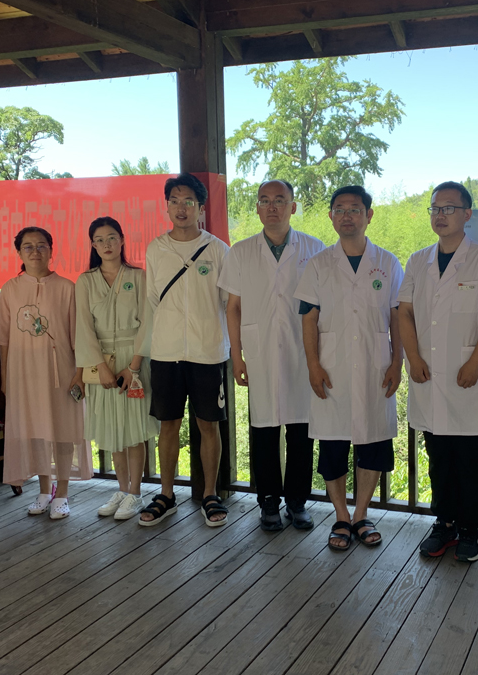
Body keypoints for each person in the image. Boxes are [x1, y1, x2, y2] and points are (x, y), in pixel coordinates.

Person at [398, 181, 478, 562]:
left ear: (467, 214)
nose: (440, 215)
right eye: (435, 208)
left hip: (469, 376)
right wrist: (413, 358)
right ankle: (444, 522)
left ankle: (470, 527)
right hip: (428, 374)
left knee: (471, 456)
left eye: (449, 208)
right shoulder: (418, 261)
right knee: (438, 455)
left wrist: (476, 361)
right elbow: (404, 312)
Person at [295, 185, 403, 550]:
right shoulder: (318, 264)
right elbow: (308, 319)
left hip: (376, 366)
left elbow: (397, 316)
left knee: (373, 441)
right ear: (330, 216)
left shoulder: (388, 262)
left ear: (368, 215)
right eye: (339, 209)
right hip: (332, 365)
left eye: (354, 209)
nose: (347, 216)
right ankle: (341, 516)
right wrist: (313, 364)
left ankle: (361, 514)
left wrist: (398, 362)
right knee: (333, 443)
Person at [219, 180, 325, 531]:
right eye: (264, 201)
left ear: (293, 207)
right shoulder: (240, 252)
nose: (272, 207)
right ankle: (268, 501)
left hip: (302, 351)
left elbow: (322, 306)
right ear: (257, 208)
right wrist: (237, 356)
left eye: (280, 200)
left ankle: (297, 501)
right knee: (263, 428)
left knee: (301, 428)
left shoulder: (314, 248)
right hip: (259, 350)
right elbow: (233, 308)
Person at [139, 173, 231, 527]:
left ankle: (210, 494)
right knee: (168, 425)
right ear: (167, 207)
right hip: (166, 352)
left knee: (209, 424)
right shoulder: (156, 249)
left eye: (188, 201)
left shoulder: (218, 250)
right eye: (175, 201)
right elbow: (152, 299)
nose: (181, 208)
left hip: (208, 351)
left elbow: (227, 302)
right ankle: (166, 494)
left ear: (200, 208)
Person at [0, 226, 92, 519]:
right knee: (36, 430)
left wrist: (79, 374)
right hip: (24, 373)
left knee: (62, 431)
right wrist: (6, 379)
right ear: (19, 252)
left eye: (41, 246)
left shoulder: (67, 288)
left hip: (61, 371)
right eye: (28, 246)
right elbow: (3, 339)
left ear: (51, 250)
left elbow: (78, 337)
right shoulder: (10, 288)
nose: (35, 251)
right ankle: (44, 489)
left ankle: (62, 493)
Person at [75, 217, 160, 520]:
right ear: (93, 245)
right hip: (101, 362)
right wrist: (100, 366)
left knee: (134, 428)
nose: (106, 244)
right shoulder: (86, 281)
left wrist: (133, 366)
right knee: (111, 428)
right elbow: (83, 327)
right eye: (99, 240)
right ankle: (122, 490)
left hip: (134, 359)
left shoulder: (138, 277)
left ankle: (136, 493)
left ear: (122, 240)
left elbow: (148, 321)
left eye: (112, 237)